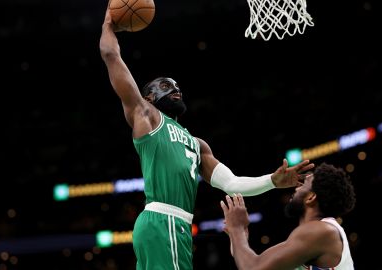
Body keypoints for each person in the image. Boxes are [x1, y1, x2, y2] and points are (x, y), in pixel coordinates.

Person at [99, 7, 315, 270]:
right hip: (164, 220)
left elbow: (233, 183)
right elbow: (111, 55)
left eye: (177, 86)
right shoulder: (147, 115)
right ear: (148, 98)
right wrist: (109, 24)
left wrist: (272, 181)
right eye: (166, 86)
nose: (175, 89)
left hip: (168, 226)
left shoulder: (197, 144)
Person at [220, 163, 356, 270]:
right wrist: (239, 236)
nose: (296, 188)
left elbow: (253, 267)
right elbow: (252, 262)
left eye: (303, 185)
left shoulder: (323, 231)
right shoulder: (317, 236)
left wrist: (237, 229)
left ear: (311, 197)